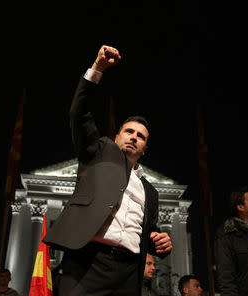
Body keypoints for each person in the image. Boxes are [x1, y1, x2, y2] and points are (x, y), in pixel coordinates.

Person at [43, 45, 172, 295]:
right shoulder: (99, 153)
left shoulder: (151, 192)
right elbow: (78, 113)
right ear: (115, 137)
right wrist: (98, 68)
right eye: (129, 131)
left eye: (141, 136)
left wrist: (160, 240)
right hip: (88, 264)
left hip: (129, 273)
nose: (134, 137)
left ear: (145, 148)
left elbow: (149, 230)